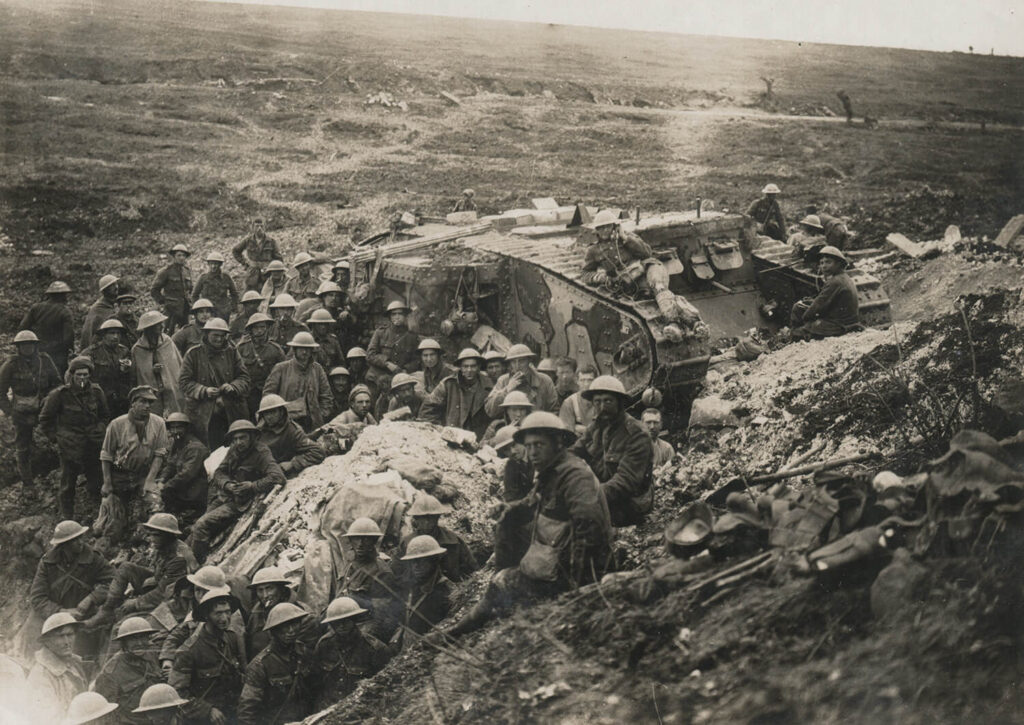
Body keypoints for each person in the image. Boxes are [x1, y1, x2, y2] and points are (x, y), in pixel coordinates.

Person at [445, 413, 612, 637]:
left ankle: (461, 630)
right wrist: (510, 508)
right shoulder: (551, 471)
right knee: (507, 540)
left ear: (558, 443)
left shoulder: (574, 476)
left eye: (539, 445)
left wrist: (576, 589)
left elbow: (589, 528)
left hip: (574, 572)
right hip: (557, 559)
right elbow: (532, 501)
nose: (532, 452)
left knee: (502, 582)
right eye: (529, 446)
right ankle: (467, 624)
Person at [189, 420, 285, 563]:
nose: (239, 442)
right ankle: (183, 564)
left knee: (202, 525)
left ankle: (197, 565)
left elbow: (278, 477)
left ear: (252, 437)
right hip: (224, 496)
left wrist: (252, 486)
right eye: (235, 439)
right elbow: (219, 473)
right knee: (194, 532)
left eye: (243, 438)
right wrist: (227, 484)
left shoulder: (261, 452)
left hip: (241, 502)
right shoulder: (234, 450)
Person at [86, 513, 196, 629]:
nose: (152, 539)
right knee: (125, 567)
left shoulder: (179, 557)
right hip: (161, 585)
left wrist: (136, 603)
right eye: (151, 535)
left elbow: (163, 592)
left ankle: (114, 615)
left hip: (175, 600)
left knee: (123, 623)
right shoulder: (163, 546)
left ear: (169, 535)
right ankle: (107, 610)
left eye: (156, 535)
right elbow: (157, 574)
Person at [573, 375, 654, 527]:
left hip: (628, 504)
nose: (602, 407)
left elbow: (625, 481)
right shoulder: (596, 427)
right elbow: (574, 452)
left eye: (608, 401)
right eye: (597, 401)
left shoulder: (636, 433)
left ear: (619, 403)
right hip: (603, 495)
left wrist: (588, 497)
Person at [39, 356, 111, 519]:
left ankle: (97, 514)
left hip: (93, 444)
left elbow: (105, 415)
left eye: (85, 375)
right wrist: (56, 439)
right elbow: (45, 419)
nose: (82, 378)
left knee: (96, 480)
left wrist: (99, 429)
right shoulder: (60, 394)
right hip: (70, 445)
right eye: (79, 375)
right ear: (71, 375)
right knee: (67, 484)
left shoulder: (97, 392)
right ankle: (67, 517)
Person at [99, 386, 170, 544]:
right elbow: (106, 456)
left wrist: (150, 480)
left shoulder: (158, 423)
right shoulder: (117, 424)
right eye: (143, 401)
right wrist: (107, 483)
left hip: (143, 475)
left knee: (155, 504)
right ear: (133, 403)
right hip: (120, 475)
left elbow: (160, 453)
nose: (147, 406)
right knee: (113, 526)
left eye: (150, 402)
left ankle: (152, 539)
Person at [168, 587, 245, 725]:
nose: (225, 618)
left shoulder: (232, 639)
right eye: (218, 613)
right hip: (201, 720)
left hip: (231, 714)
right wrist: (207, 710)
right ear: (206, 615)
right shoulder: (188, 651)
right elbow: (176, 693)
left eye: (227, 612)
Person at [0, 330, 62, 487]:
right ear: (18, 347)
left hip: (44, 409)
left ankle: (62, 474)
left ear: (36, 346)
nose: (27, 348)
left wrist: (51, 401)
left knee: (58, 439)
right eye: (23, 345)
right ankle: (27, 482)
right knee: (23, 447)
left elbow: (58, 384)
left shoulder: (45, 361)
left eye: (31, 344)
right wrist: (9, 411)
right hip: (21, 412)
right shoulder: (11, 364)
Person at [29, 520, 114, 633]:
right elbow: (37, 598)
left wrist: (91, 598)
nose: (80, 542)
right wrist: (62, 612)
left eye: (81, 537)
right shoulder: (47, 562)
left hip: (83, 615)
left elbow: (116, 581)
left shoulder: (93, 558)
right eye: (74, 540)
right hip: (52, 615)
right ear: (63, 545)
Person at [178, 318, 250, 449]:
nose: (219, 339)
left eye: (222, 336)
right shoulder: (194, 354)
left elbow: (244, 377)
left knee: (233, 447)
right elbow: (183, 382)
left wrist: (233, 386)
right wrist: (203, 390)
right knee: (205, 448)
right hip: (202, 412)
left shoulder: (232, 352)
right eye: (215, 335)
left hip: (229, 409)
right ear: (206, 334)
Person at [237, 603, 314, 725]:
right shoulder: (260, 665)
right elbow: (247, 712)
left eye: (295, 624)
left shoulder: (304, 653)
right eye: (284, 626)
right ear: (274, 630)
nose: (291, 631)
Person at [313, 597, 388, 708]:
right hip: (326, 706)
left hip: (358, 708)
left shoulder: (374, 648)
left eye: (346, 620)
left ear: (354, 620)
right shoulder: (324, 645)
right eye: (337, 622)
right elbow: (315, 680)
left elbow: (383, 685)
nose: (341, 625)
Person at [93, 618, 163, 725]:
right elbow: (105, 715)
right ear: (124, 643)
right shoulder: (110, 673)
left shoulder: (152, 654)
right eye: (133, 639)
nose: (139, 643)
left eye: (143, 637)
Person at [336, 518, 398, 638]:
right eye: (356, 538)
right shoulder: (349, 563)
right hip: (343, 620)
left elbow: (383, 615)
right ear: (350, 540)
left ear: (374, 541)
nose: (360, 543)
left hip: (365, 623)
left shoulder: (381, 572)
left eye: (366, 539)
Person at [262, 332, 333, 432]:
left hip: (312, 424)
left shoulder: (317, 369)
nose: (305, 352)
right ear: (295, 350)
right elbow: (268, 395)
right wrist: (278, 417)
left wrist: (321, 415)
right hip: (286, 423)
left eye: (308, 349)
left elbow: (326, 396)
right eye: (301, 348)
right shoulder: (281, 368)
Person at [243, 567, 319, 660]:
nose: (265, 595)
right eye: (260, 590)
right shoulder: (256, 614)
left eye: (269, 588)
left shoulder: (305, 616)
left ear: (281, 588)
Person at [26, 613, 89, 724]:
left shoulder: (74, 663)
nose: (66, 642)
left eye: (70, 635)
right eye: (60, 636)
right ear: (47, 641)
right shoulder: (40, 677)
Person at [398, 494, 475, 583]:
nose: (426, 522)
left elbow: (471, 569)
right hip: (419, 593)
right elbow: (398, 572)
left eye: (431, 518)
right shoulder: (406, 543)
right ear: (416, 519)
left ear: (437, 517)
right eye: (422, 518)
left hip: (450, 592)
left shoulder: (453, 541)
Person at [419, 348, 494, 440]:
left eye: (473, 366)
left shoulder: (488, 385)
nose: (469, 370)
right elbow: (428, 408)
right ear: (460, 368)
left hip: (479, 438)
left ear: (479, 367)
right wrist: (439, 430)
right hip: (453, 437)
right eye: (465, 366)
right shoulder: (449, 384)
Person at [392, 536, 452, 649]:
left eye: (422, 560)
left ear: (435, 560)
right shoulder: (412, 587)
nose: (416, 566)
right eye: (413, 561)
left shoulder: (446, 593)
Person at [790, 246, 860, 340]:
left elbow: (819, 305)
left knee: (799, 329)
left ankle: (795, 338)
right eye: (821, 263)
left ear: (838, 264)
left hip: (839, 325)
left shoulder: (835, 281)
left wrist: (805, 318)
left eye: (828, 262)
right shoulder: (843, 277)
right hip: (845, 321)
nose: (823, 266)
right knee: (802, 308)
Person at [488, 425, 534, 569]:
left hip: (546, 507)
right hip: (527, 508)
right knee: (505, 523)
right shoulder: (511, 466)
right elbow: (511, 496)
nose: (512, 451)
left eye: (514, 445)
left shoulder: (538, 457)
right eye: (506, 450)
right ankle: (503, 571)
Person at [255, 394, 326, 476]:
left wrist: (292, 463)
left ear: (281, 412)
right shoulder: (259, 431)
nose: (269, 417)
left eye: (273, 412)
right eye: (266, 413)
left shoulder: (293, 431)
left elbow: (318, 452)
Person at [131, 312, 186, 417]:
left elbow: (178, 365)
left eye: (161, 323)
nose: (162, 326)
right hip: (152, 394)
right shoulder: (137, 349)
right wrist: (151, 370)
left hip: (171, 391)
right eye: (158, 324)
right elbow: (136, 376)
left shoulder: (167, 342)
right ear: (149, 328)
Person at [156, 414, 209, 521]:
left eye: (179, 427)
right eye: (172, 428)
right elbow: (170, 465)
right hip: (182, 488)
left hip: (194, 493)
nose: (175, 431)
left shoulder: (196, 447)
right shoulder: (178, 443)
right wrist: (161, 480)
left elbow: (187, 474)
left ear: (187, 428)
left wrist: (166, 487)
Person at [234, 312, 286, 418]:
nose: (260, 331)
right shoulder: (242, 348)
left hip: (269, 393)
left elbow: (284, 373)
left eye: (262, 327)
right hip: (247, 394)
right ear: (251, 330)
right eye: (256, 328)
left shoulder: (275, 349)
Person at [484, 343, 557, 417]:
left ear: (529, 361)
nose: (517, 366)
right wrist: (506, 390)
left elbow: (555, 410)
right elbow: (490, 411)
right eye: (513, 362)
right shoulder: (503, 381)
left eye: (521, 361)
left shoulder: (544, 380)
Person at [20, 280, 75, 374]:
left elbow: (23, 328)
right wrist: (70, 349)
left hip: (37, 350)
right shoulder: (65, 312)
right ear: (63, 296)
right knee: (58, 380)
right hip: (57, 354)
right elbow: (68, 338)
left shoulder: (36, 308)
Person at [84, 319, 134, 416]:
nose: (116, 337)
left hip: (121, 400)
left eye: (118, 333)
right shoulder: (92, 352)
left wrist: (126, 369)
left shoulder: (124, 351)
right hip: (100, 398)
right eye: (112, 333)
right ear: (103, 335)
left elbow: (130, 376)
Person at [366, 300, 419, 391]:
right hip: (378, 378)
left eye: (400, 314)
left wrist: (406, 370)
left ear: (405, 316)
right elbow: (370, 354)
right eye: (394, 314)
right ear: (390, 317)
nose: (397, 317)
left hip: (400, 379)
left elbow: (416, 359)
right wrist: (386, 363)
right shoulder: (380, 333)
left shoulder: (412, 337)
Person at [146, 577, 194, 660]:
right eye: (185, 600)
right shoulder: (161, 613)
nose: (190, 604)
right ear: (176, 596)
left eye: (193, 600)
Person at [151, 245, 193, 334]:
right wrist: (164, 302)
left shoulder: (186, 271)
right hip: (171, 310)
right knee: (168, 333)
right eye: (179, 255)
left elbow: (190, 288)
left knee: (185, 333)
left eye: (183, 256)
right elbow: (154, 290)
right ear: (173, 256)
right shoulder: (165, 271)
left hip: (184, 309)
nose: (181, 258)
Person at [232, 217, 283, 292]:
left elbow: (279, 259)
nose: (259, 228)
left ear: (265, 227)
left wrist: (273, 268)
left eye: (261, 226)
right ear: (252, 228)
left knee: (269, 293)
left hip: (267, 274)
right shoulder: (248, 241)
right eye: (257, 226)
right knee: (249, 295)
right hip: (252, 273)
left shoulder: (271, 242)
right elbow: (235, 251)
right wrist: (245, 263)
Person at [191, 252, 238, 323]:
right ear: (208, 264)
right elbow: (194, 295)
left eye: (216, 264)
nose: (213, 266)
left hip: (223, 312)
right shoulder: (203, 278)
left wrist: (232, 307)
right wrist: (198, 309)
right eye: (211, 264)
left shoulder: (226, 277)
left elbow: (234, 294)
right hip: (208, 312)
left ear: (220, 264)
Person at [81, 275, 121, 349]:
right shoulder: (98, 308)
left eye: (116, 284)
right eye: (112, 286)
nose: (116, 287)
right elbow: (91, 333)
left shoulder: (114, 304)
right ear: (105, 290)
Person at [558, 364, 597, 436]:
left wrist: (582, 429)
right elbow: (567, 433)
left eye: (590, 380)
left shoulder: (601, 401)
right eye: (582, 380)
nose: (586, 384)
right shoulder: (570, 402)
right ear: (577, 381)